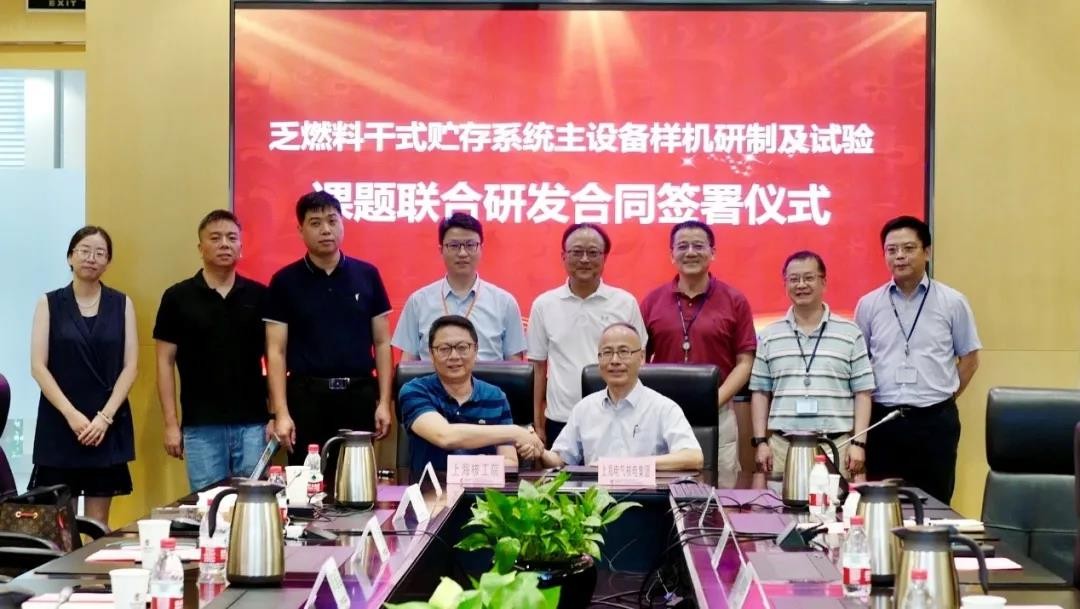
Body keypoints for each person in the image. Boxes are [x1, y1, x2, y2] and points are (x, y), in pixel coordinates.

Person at [855, 216, 981, 503]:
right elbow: (860, 364)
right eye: (892, 250)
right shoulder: (868, 304)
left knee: (936, 505)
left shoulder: (953, 302)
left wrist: (943, 398)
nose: (899, 256)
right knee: (883, 505)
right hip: (883, 421)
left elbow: (970, 359)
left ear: (927, 251)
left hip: (934, 422)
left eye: (908, 248)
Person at [265, 191, 393, 464]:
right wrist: (281, 412)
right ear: (300, 229)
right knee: (306, 481)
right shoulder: (284, 281)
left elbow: (382, 343)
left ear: (342, 223)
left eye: (332, 221)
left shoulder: (367, 275)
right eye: (315, 223)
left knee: (355, 481)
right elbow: (275, 351)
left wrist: (384, 402)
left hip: (358, 396)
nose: (326, 230)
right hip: (306, 398)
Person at [154, 210, 270, 491]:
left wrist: (276, 416)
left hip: (253, 424)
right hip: (201, 426)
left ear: (241, 246)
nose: (224, 244)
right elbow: (164, 362)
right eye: (215, 238)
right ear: (200, 247)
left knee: (253, 505)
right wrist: (171, 424)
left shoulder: (260, 295)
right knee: (207, 506)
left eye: (232, 238)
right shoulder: (177, 297)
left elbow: (275, 358)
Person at [29, 226, 137, 523]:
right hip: (60, 421)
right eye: (84, 251)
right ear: (70, 257)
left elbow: (130, 366)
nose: (92, 258)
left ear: (108, 262)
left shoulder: (121, 303)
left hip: (105, 423)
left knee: (98, 524)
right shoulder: (49, 303)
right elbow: (38, 366)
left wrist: (105, 418)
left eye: (100, 253)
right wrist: (71, 415)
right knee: (59, 525)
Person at [640, 220, 756, 483]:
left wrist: (713, 401)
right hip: (662, 415)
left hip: (718, 413)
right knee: (663, 487)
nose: (690, 252)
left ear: (712, 252)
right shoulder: (652, 301)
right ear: (672, 254)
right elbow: (639, 359)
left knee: (720, 487)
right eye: (682, 246)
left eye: (698, 246)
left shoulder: (734, 300)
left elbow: (745, 362)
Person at [749, 251, 874, 479]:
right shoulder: (769, 335)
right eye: (794, 279)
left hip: (835, 446)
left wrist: (859, 443)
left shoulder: (850, 333)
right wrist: (760, 441)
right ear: (785, 284)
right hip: (782, 448)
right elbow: (760, 392)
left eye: (808, 278)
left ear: (823, 282)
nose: (801, 285)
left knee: (834, 502)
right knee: (781, 503)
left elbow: (863, 392)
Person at [527, 223, 646, 448]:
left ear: (605, 257)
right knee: (559, 471)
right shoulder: (544, 305)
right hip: (561, 417)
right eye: (576, 252)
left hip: (616, 415)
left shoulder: (625, 302)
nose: (584, 259)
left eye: (593, 252)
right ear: (563, 256)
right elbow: (538, 369)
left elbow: (638, 362)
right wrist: (538, 424)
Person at [538, 323, 703, 470]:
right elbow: (560, 459)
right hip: (597, 494)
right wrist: (539, 451)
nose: (615, 360)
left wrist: (628, 466)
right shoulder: (584, 409)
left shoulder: (663, 408)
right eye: (607, 352)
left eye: (624, 352)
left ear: (641, 357)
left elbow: (694, 457)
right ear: (599, 359)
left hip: (647, 494)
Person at [399, 315, 543, 480]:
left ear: (475, 350)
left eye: (462, 347)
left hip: (482, 492)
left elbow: (510, 462)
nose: (454, 356)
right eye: (444, 349)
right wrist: (514, 432)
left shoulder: (495, 397)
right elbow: (444, 436)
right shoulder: (415, 391)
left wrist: (479, 465)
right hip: (430, 491)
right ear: (431, 354)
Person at [391, 213, 526, 361]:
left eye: (470, 245)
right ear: (441, 250)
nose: (462, 253)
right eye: (454, 246)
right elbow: (408, 363)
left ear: (481, 248)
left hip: (486, 377)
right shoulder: (418, 302)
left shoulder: (504, 303)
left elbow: (514, 366)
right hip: (432, 377)